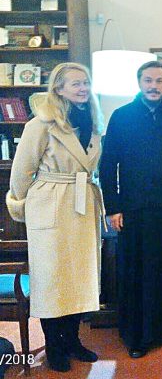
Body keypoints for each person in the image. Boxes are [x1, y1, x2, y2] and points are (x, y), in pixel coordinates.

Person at [6, 62, 103, 372]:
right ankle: (54, 345)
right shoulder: (41, 123)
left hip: (82, 202)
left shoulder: (92, 121)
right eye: (75, 84)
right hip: (51, 203)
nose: (83, 88)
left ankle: (73, 340)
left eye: (85, 82)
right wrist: (21, 204)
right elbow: (21, 172)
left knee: (79, 276)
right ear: (59, 89)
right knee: (52, 277)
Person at [99, 61, 162, 359]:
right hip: (133, 210)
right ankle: (137, 336)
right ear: (139, 83)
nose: (154, 86)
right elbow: (108, 166)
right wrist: (113, 208)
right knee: (136, 272)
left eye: (159, 81)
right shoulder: (121, 117)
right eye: (148, 80)